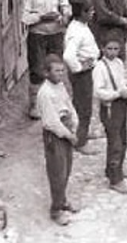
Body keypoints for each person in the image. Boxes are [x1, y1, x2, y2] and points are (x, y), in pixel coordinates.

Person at [21, 0, 71, 119]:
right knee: (37, 69)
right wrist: (42, 17)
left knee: (56, 67)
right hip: (38, 36)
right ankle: (35, 105)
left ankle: (57, 103)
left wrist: (65, 14)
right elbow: (25, 18)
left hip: (55, 34)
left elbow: (66, 5)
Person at [37, 54, 78, 226]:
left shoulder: (60, 86)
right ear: (46, 73)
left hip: (66, 128)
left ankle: (62, 200)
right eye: (56, 71)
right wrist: (68, 135)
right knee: (57, 172)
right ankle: (55, 210)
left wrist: (74, 122)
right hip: (55, 135)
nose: (60, 74)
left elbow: (69, 104)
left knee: (67, 168)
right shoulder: (45, 93)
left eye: (62, 70)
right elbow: (51, 121)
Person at [93, 36, 127, 195]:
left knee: (123, 138)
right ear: (102, 48)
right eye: (109, 49)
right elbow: (99, 92)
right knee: (115, 142)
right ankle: (115, 179)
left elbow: (121, 80)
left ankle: (115, 167)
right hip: (110, 107)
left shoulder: (118, 63)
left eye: (116, 49)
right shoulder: (99, 68)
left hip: (121, 105)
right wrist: (117, 93)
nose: (112, 52)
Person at [62, 0, 100, 157]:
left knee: (84, 104)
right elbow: (68, 56)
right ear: (82, 13)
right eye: (90, 11)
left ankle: (82, 131)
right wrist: (79, 68)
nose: (92, 13)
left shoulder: (81, 26)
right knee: (83, 108)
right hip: (81, 75)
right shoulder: (76, 32)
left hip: (86, 72)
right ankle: (80, 141)